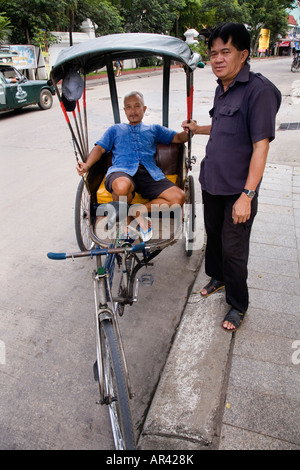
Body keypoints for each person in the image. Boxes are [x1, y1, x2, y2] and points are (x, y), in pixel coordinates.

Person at [182, 23, 281, 332]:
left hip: (238, 190)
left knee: (234, 249)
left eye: (226, 52)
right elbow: (223, 126)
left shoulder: (258, 91)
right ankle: (219, 277)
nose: (218, 59)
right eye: (213, 53)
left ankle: (238, 304)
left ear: (243, 54)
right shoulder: (221, 87)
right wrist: (198, 129)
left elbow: (260, 145)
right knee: (214, 238)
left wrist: (247, 196)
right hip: (212, 181)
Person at [77, 91, 188, 241]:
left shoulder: (154, 129)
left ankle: (138, 211)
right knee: (122, 186)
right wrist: (87, 165)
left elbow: (178, 138)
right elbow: (100, 148)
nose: (133, 110)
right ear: (124, 111)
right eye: (128, 107)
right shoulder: (115, 130)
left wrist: (189, 131)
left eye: (137, 106)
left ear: (144, 108)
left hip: (149, 173)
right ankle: (126, 225)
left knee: (179, 197)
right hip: (121, 172)